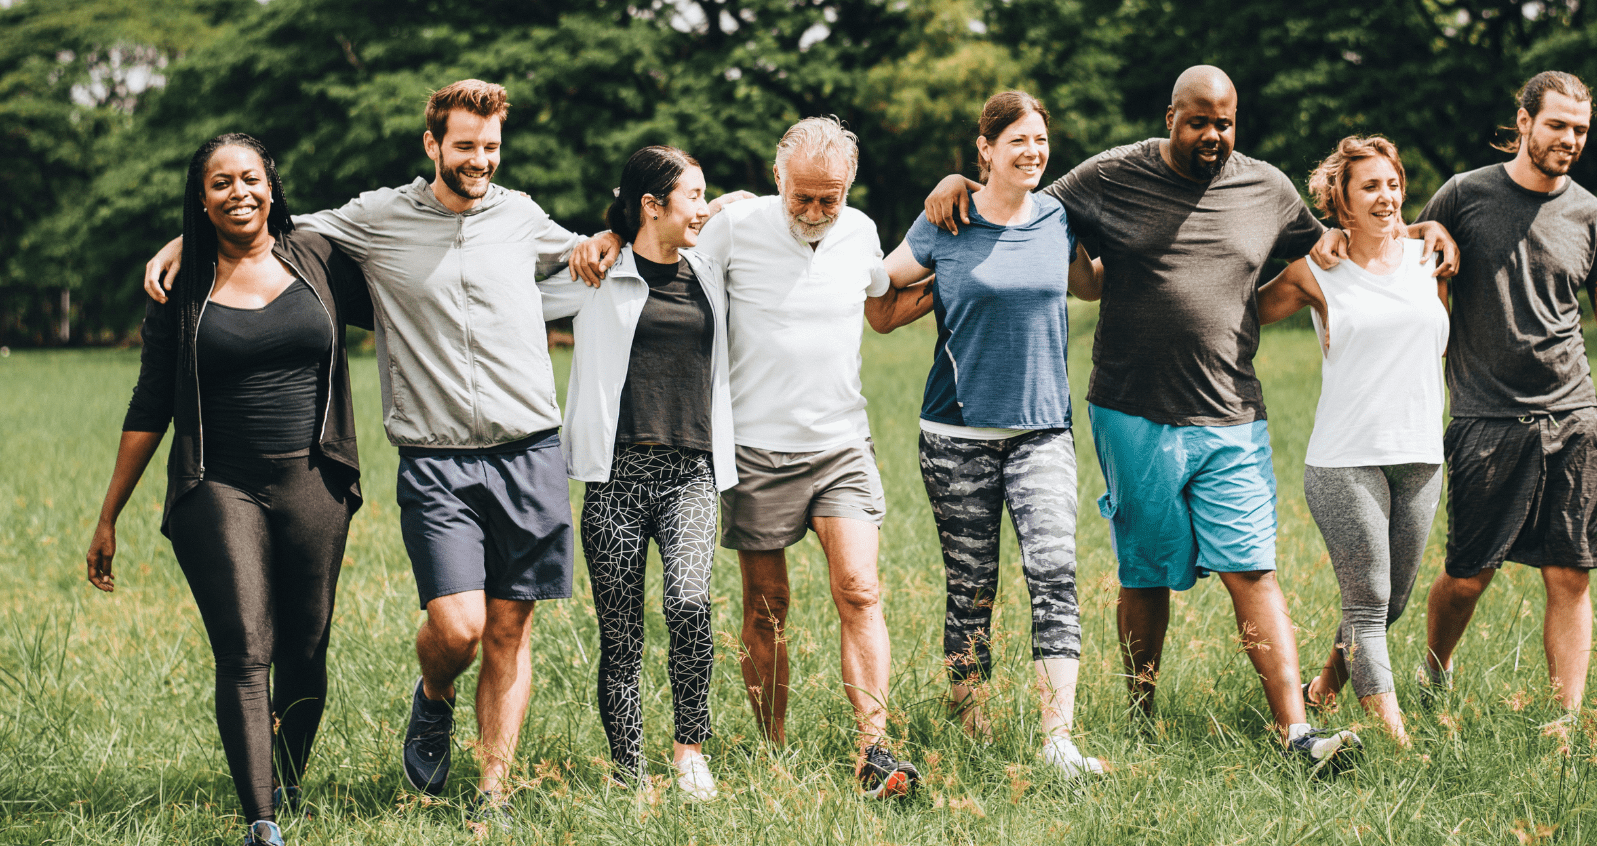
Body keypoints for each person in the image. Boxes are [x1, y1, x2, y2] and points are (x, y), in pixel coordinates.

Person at [924, 66, 1456, 771]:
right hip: (1130, 408)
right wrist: (958, 182)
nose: (1214, 135)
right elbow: (1017, 204)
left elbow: (1345, 237)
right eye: (1199, 121)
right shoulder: (1111, 175)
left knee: (1253, 570)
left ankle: (1296, 734)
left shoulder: (1265, 188)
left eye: (1225, 122)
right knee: (1145, 574)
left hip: (1233, 411)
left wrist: (1422, 224)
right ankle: (1141, 717)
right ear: (1170, 114)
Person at [144, 80, 584, 831]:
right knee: (459, 628)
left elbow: (586, 252)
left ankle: (495, 793)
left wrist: (642, 231)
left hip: (531, 450)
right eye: (465, 146)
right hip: (437, 457)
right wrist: (189, 234)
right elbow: (270, 222)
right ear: (433, 145)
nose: (480, 160)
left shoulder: (521, 216)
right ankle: (434, 698)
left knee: (511, 627)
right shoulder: (378, 218)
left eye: (491, 147)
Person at [570, 118, 923, 798]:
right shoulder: (732, 226)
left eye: (832, 198)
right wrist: (611, 234)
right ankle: (772, 746)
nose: (817, 213)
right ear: (777, 179)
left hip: (842, 441)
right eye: (803, 198)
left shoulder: (861, 232)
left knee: (860, 589)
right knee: (766, 607)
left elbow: (885, 293)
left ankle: (873, 749)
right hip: (755, 449)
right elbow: (661, 251)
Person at [1314, 72, 1597, 749]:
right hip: (1486, 419)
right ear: (1525, 119)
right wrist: (1335, 236)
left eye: (1581, 129)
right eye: (1558, 124)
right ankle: (1435, 671)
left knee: (1571, 571)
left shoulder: (1593, 216)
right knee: (1469, 577)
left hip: (1573, 415)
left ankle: (1564, 717)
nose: (1570, 139)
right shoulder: (1467, 195)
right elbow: (1402, 238)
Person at [88, 133, 372, 846]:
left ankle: (286, 780)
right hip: (218, 484)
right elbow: (150, 403)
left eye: (250, 179)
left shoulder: (318, 257)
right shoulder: (180, 287)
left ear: (272, 186)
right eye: (220, 184)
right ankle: (262, 822)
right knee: (246, 649)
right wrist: (108, 516)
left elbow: (414, 268)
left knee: (306, 652)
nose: (238, 192)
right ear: (201, 197)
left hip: (315, 480)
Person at [867, 92, 1105, 778]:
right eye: (1016, 142)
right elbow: (878, 302)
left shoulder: (1059, 216)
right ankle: (971, 725)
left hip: (1042, 430)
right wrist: (940, 285)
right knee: (971, 586)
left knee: (1055, 572)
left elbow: (1085, 287)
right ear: (986, 150)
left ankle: (1058, 741)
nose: (1031, 152)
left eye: (1039, 140)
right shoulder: (948, 218)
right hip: (954, 433)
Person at [536, 146, 733, 800]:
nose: (703, 208)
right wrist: (602, 239)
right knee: (620, 636)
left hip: (690, 474)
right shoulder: (600, 272)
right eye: (693, 196)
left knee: (689, 603)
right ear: (653, 205)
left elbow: (764, 216)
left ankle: (690, 751)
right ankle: (629, 772)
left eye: (706, 197)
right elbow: (521, 293)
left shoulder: (710, 271)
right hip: (615, 478)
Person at [1258, 136, 1449, 746]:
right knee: (1368, 606)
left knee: (1390, 604)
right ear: (1339, 200)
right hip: (1346, 458)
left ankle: (1323, 689)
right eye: (1370, 186)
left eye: (1393, 184)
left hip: (1421, 455)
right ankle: (1399, 744)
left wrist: (1432, 225)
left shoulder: (1431, 254)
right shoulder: (1317, 268)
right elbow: (1239, 311)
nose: (1386, 196)